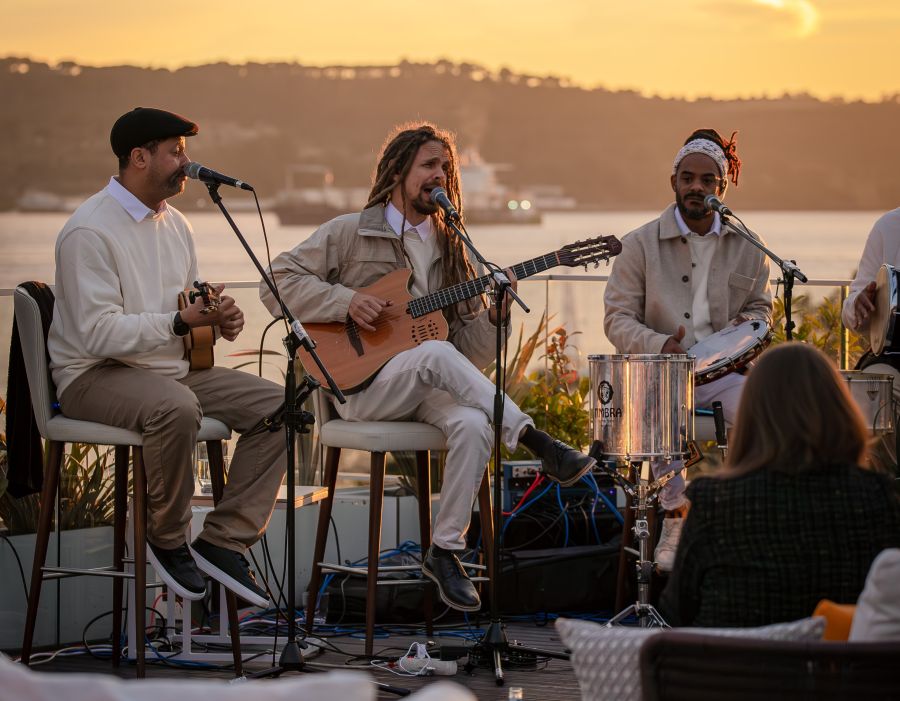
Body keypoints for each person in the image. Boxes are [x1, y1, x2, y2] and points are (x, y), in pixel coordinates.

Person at [260, 122, 595, 612]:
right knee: (434, 357)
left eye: (445, 167)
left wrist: (496, 319)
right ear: (398, 171)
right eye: (428, 165)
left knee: (475, 422)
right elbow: (276, 281)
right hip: (360, 391)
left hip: (422, 389)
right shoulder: (353, 231)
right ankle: (537, 442)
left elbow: (466, 354)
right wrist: (345, 301)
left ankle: (444, 550)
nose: (439, 175)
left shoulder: (453, 248)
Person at [48, 107, 287, 608]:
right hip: (94, 375)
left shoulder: (177, 224)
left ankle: (222, 541)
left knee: (284, 406)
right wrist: (180, 323)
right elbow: (96, 334)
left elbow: (184, 310)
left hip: (172, 371)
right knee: (175, 409)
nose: (187, 161)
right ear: (139, 157)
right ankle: (168, 536)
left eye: (185, 150)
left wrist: (217, 320)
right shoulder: (88, 230)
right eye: (175, 151)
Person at [603, 128, 772, 571]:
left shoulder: (749, 246)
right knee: (658, 402)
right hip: (660, 374)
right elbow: (616, 319)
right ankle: (675, 517)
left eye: (707, 180)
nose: (697, 187)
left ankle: (757, 517)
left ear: (722, 187)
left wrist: (745, 331)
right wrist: (661, 345)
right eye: (688, 178)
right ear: (673, 181)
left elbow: (761, 309)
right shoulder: (638, 244)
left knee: (773, 411)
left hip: (723, 377)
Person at [658, 343, 900, 627]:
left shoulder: (714, 502)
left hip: (734, 668)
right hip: (837, 668)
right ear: (839, 409)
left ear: (751, 415)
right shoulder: (876, 497)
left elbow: (674, 614)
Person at [841, 208, 900, 466]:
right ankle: (885, 492)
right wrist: (860, 304)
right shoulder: (889, 226)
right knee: (874, 395)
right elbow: (851, 304)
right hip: (894, 354)